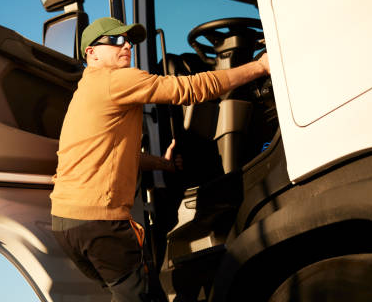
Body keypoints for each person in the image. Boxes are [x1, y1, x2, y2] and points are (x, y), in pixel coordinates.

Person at [51, 17, 270, 301]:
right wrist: (260, 67)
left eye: (128, 40)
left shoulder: (84, 92)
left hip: (66, 225)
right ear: (91, 53)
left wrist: (162, 164)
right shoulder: (115, 80)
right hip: (100, 224)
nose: (126, 45)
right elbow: (191, 89)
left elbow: (112, 153)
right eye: (116, 40)